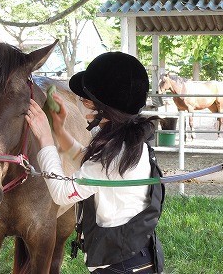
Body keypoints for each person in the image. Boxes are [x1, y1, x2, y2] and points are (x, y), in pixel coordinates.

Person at [25, 52, 165, 274]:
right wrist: (60, 131)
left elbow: (62, 192)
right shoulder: (130, 142)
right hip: (135, 258)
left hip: (120, 267)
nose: (81, 103)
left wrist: (45, 138)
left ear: (102, 106)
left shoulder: (112, 156)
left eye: (85, 99)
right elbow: (91, 163)